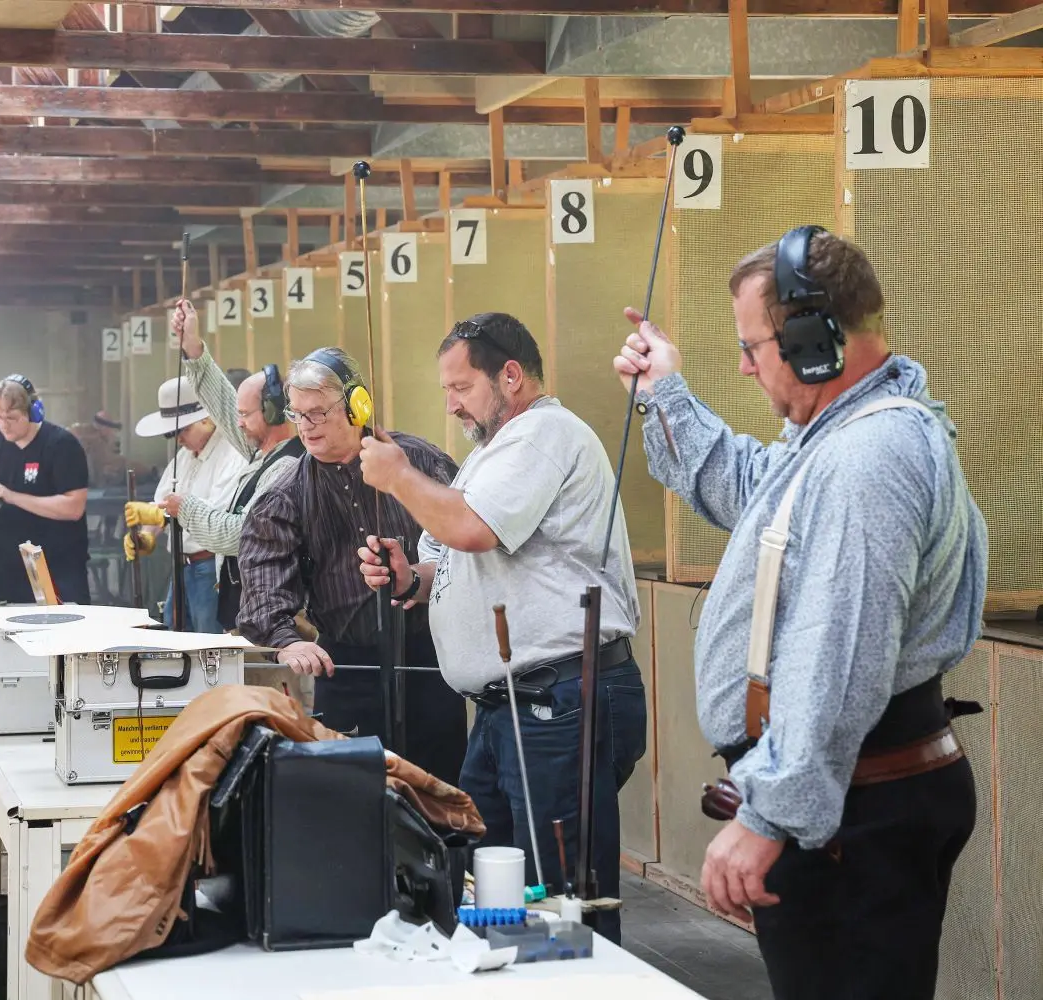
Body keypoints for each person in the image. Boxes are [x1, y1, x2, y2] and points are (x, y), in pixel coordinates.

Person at [613, 226, 987, 998]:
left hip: (856, 805)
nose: (747, 366)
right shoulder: (844, 439)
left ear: (816, 340)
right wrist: (666, 397)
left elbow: (837, 654)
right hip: (852, 797)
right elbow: (755, 494)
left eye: (754, 348)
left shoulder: (866, 458)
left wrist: (769, 814)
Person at [355, 312, 646, 943]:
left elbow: (473, 528)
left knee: (561, 903)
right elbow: (456, 556)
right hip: (509, 707)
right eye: (446, 391)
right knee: (496, 892)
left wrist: (399, 475)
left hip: (557, 700)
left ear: (510, 376)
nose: (452, 404)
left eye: (461, 388)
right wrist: (410, 577)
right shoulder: (490, 454)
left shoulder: (543, 435)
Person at [235, 347, 469, 785]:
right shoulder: (284, 493)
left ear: (357, 405)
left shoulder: (418, 461)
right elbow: (263, 586)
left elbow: (468, 537)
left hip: (432, 660)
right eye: (298, 414)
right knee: (352, 800)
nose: (306, 426)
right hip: (347, 668)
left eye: (319, 413)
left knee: (443, 791)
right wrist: (287, 640)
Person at [141, 299, 305, 631]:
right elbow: (222, 402)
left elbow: (240, 533)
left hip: (274, 607)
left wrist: (183, 508)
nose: (237, 422)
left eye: (246, 415)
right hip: (250, 598)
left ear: (273, 414)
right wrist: (191, 346)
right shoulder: (261, 451)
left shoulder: (284, 467)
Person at [126, 376, 247, 632]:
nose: (178, 438)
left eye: (183, 429)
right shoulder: (183, 457)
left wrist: (164, 517)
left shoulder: (231, 455)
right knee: (176, 640)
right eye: (172, 432)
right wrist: (147, 536)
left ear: (207, 419)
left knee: (207, 648)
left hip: (211, 568)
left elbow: (216, 514)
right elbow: (160, 504)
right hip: (181, 567)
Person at [0, 374, 92, 604]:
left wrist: (12, 496)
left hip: (57, 568)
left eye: (12, 417)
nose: (4, 425)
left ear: (34, 412)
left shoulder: (62, 445)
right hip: (7, 568)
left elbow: (73, 508)